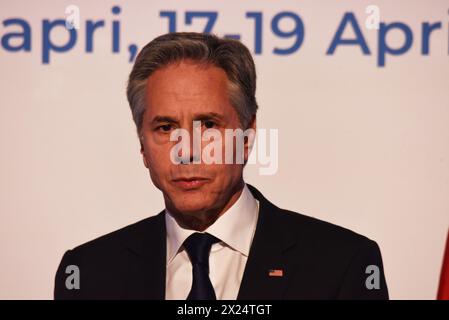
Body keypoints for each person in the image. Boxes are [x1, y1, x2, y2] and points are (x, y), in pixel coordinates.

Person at [54, 32, 388, 300]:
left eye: (208, 126)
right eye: (166, 128)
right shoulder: (88, 274)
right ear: (142, 144)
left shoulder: (343, 265)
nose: (186, 151)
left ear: (246, 135)